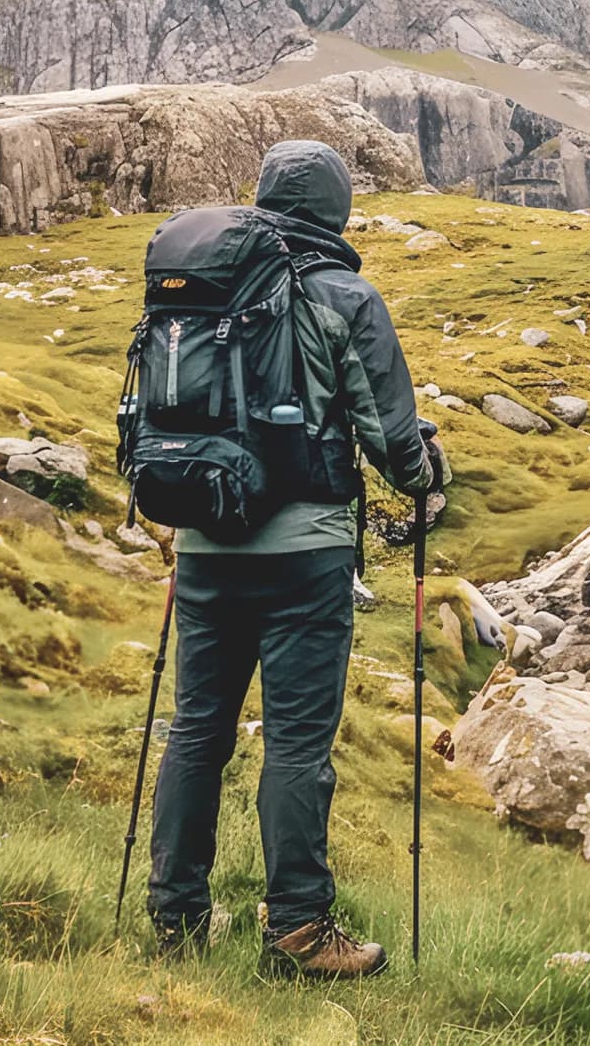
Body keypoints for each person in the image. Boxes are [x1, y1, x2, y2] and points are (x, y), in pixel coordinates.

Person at [145, 139, 439, 979]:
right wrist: (425, 470)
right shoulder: (344, 294)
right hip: (304, 558)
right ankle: (300, 930)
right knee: (298, 744)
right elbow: (391, 443)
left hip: (201, 545)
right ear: (338, 212)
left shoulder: (200, 287)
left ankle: (175, 919)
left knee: (197, 729)